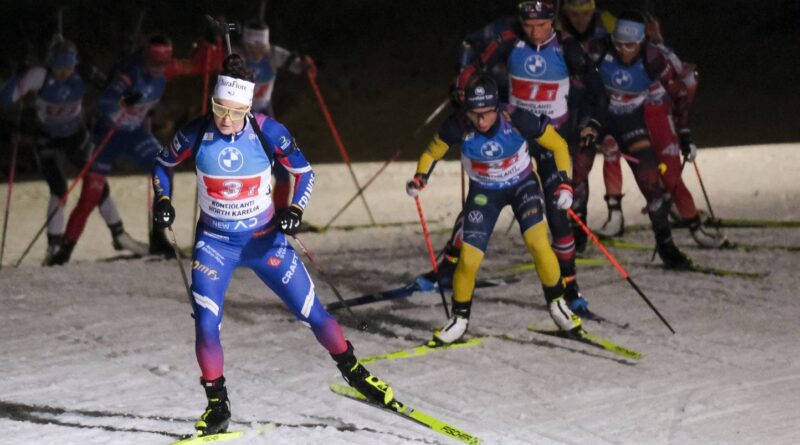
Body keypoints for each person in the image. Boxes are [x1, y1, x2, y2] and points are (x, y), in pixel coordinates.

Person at [151, 54, 394, 436]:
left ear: (249, 107)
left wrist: (295, 209)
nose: (226, 119)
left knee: (313, 313)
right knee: (206, 324)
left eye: (234, 112)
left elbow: (304, 171)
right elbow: (162, 166)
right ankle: (217, 406)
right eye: (219, 109)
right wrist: (164, 200)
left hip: (265, 240)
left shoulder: (269, 131)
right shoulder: (196, 133)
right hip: (216, 243)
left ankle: (355, 372)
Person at [425, 0, 607, 315]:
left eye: (542, 25)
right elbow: (474, 62)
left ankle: (570, 290)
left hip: (551, 137)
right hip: (517, 132)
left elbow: (597, 90)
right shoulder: (511, 41)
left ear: (553, 19)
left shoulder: (567, 48)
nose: (536, 32)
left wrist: (591, 123)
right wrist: (463, 87)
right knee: (483, 192)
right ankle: (447, 266)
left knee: (558, 210)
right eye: (529, 25)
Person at [406, 74, 583, 344]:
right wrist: (421, 178)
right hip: (484, 192)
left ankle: (558, 305)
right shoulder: (457, 125)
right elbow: (431, 153)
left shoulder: (518, 118)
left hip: (522, 185)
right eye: (474, 114)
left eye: (486, 114)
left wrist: (565, 184)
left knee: (538, 244)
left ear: (497, 108)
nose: (480, 121)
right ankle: (459, 320)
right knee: (468, 260)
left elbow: (558, 145)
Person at [0, 39, 147, 263]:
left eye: (68, 67)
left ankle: (119, 235)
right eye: (59, 68)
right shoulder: (39, 76)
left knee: (97, 184)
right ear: (51, 65)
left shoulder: (83, 73)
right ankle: (54, 246)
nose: (64, 73)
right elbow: (4, 99)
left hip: (75, 137)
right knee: (58, 187)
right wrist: (17, 78)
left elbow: (111, 89)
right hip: (47, 138)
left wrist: (127, 93)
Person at [571, 11, 695, 267]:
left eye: (629, 45)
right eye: (618, 44)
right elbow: (573, 79)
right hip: (598, 116)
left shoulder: (654, 59)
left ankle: (666, 246)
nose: (623, 50)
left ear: (641, 43)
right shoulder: (598, 49)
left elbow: (680, 93)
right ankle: (576, 237)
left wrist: (684, 133)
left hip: (630, 121)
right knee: (579, 169)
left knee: (650, 180)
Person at [46, 35, 183, 265]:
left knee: (164, 165)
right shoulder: (131, 72)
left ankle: (159, 236)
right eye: (153, 63)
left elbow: (198, 65)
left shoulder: (167, 70)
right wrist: (124, 100)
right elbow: (106, 101)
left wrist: (213, 43)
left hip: (135, 134)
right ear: (145, 58)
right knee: (91, 195)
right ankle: (64, 251)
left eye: (163, 64)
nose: (158, 69)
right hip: (109, 135)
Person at [239, 21, 310, 214]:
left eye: (260, 47)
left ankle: (279, 213)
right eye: (251, 47)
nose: (255, 52)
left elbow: (299, 67)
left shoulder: (272, 54)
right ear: (245, 44)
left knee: (282, 167)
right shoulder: (235, 56)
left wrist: (306, 64)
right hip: (237, 118)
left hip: (264, 114)